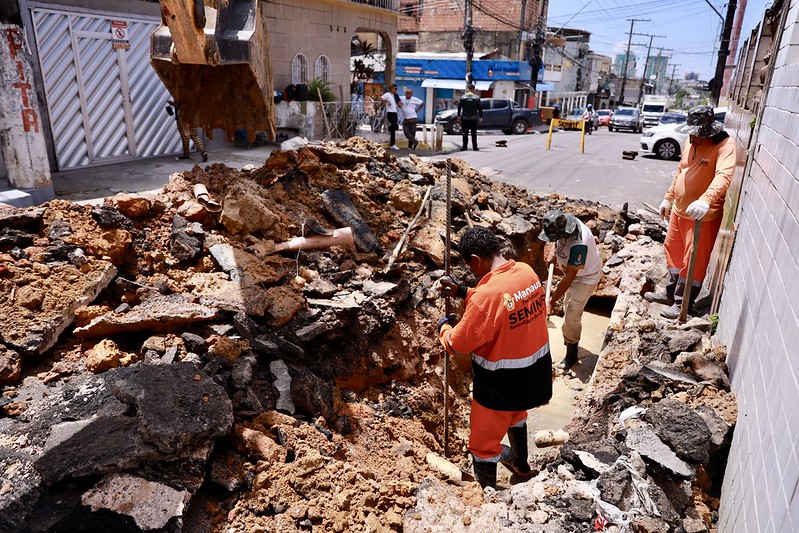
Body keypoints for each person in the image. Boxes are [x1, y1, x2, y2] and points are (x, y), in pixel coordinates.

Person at [437, 226, 553, 489]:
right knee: (517, 416)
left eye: (470, 266)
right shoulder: (526, 272)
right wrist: (464, 291)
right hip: (533, 377)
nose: (472, 272)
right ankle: (522, 466)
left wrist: (444, 327)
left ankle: (488, 496)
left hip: (499, 387)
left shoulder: (484, 298)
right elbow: (503, 302)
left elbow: (456, 345)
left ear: (476, 260)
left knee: (482, 445)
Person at [644, 105, 736, 319]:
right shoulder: (690, 141)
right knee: (674, 252)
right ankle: (669, 294)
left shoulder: (724, 145)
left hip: (702, 216)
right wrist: (668, 197)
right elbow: (681, 170)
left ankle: (682, 304)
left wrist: (706, 200)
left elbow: (723, 176)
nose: (693, 134)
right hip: (679, 211)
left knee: (693, 261)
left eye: (698, 131)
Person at [539, 209, 602, 370]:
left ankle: (571, 354)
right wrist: (554, 250)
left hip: (586, 277)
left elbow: (570, 278)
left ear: (565, 231)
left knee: (572, 315)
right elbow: (556, 240)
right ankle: (570, 338)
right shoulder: (564, 222)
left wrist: (551, 301)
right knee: (568, 307)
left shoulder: (579, 244)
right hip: (573, 272)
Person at [457, 86, 482, 151]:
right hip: (474, 118)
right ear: (473, 90)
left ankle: (464, 147)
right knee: (474, 133)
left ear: (468, 89)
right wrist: (481, 117)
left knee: (465, 133)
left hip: (465, 118)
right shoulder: (477, 98)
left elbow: (459, 107)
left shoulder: (463, 97)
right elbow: (480, 108)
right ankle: (475, 147)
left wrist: (458, 116)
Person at [381, 84, 400, 150]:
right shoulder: (387, 94)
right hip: (390, 112)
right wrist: (387, 101)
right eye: (395, 89)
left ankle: (393, 144)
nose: (396, 90)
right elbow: (380, 98)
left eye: (396, 89)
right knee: (395, 126)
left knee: (394, 129)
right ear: (391, 88)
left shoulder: (395, 95)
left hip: (395, 112)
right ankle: (389, 128)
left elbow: (398, 103)